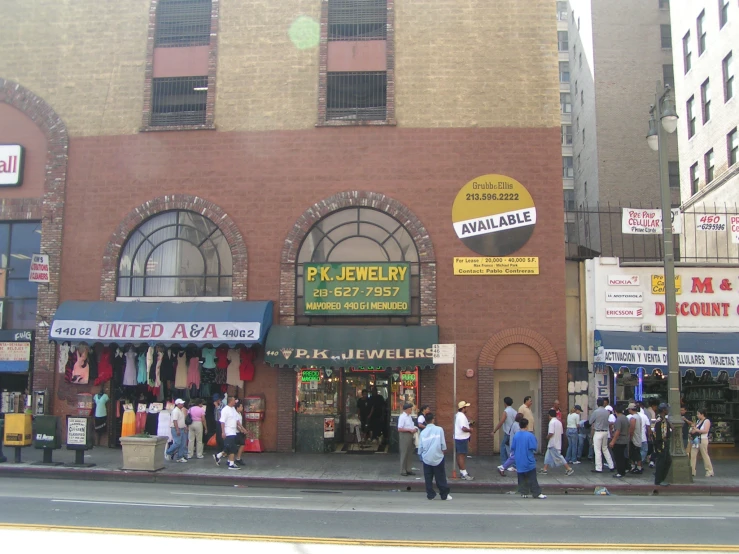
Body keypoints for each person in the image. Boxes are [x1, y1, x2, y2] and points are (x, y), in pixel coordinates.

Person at [417, 412, 451, 500]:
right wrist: (443, 450)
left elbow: (420, 447)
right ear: (433, 420)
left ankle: (430, 494)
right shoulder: (439, 429)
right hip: (438, 457)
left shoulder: (423, 432)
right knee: (440, 477)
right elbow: (443, 443)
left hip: (427, 458)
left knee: (428, 477)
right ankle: (444, 494)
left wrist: (421, 454)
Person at [510, 418, 546, 499]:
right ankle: (536, 493)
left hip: (519, 459)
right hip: (528, 459)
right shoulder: (530, 436)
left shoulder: (516, 435)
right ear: (526, 425)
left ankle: (523, 492)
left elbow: (513, 447)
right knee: (532, 477)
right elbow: (533, 447)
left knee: (521, 476)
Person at [540, 409, 574, 476]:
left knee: (559, 457)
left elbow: (551, 433)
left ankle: (569, 468)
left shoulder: (552, 422)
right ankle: (544, 469)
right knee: (547, 457)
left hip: (553, 443)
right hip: (557, 442)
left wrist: (547, 437)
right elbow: (561, 433)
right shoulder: (559, 422)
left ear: (549, 415)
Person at [214, 396, 241, 470]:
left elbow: (237, 419)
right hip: (228, 431)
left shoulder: (233, 409)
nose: (235, 402)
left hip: (233, 431)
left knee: (231, 447)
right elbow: (222, 421)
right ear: (230, 401)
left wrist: (242, 428)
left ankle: (219, 456)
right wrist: (223, 432)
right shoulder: (225, 410)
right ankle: (231, 464)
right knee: (231, 447)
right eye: (233, 400)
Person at [588, 398, 614, 473]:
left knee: (597, 450)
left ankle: (599, 468)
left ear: (597, 403)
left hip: (598, 432)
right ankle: (611, 465)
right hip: (606, 431)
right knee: (605, 449)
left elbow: (590, 421)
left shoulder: (596, 412)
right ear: (603, 403)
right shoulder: (607, 412)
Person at [492, 396, 518, 465]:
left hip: (508, 432)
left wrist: (494, 431)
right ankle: (512, 463)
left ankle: (505, 463)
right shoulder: (514, 411)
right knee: (511, 448)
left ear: (505, 403)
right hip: (513, 432)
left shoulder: (506, 411)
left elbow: (501, 422)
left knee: (503, 447)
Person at [689, 409, 714, 477]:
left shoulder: (707, 421)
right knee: (693, 455)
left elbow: (706, 430)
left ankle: (709, 471)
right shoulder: (698, 421)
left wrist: (697, 430)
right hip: (696, 440)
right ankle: (692, 471)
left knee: (704, 455)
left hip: (703, 439)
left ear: (702, 414)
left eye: (698, 414)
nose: (697, 415)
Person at [653, 403, 672, 486]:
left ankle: (661, 479)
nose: (668, 410)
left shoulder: (664, 420)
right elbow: (656, 434)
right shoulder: (659, 420)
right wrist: (658, 446)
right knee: (661, 462)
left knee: (667, 461)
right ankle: (658, 480)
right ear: (664, 410)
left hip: (665, 443)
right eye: (666, 409)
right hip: (661, 444)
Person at [454, 401, 474, 480]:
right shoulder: (462, 416)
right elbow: (463, 428)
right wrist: (470, 430)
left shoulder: (458, 415)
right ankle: (464, 473)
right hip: (461, 438)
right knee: (461, 455)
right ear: (463, 408)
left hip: (459, 438)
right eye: (466, 407)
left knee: (460, 455)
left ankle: (462, 472)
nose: (467, 408)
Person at [609, 404, 630, 478]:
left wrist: (613, 441)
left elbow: (617, 431)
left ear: (615, 411)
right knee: (622, 456)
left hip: (619, 440)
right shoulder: (625, 418)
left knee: (618, 457)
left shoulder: (619, 419)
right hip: (625, 439)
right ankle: (623, 470)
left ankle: (620, 472)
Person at [397, 402, 418, 476]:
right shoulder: (402, 417)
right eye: (410, 409)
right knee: (404, 452)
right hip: (404, 435)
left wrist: (414, 429)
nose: (411, 410)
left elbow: (411, 425)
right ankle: (403, 470)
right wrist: (409, 430)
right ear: (406, 409)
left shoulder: (409, 416)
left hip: (410, 435)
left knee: (409, 453)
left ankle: (408, 469)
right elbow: (399, 429)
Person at [627, 403, 644, 474]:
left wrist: (630, 437)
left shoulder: (633, 418)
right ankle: (636, 467)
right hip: (638, 437)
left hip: (634, 439)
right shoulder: (638, 416)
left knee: (635, 454)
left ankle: (636, 467)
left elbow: (632, 429)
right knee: (636, 453)